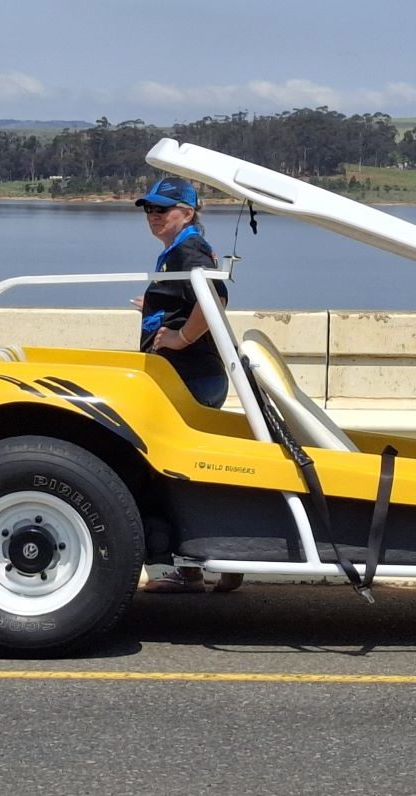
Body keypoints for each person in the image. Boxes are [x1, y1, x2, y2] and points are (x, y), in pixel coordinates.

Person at [132, 176, 243, 594]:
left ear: (188, 212)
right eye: (149, 209)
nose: (154, 216)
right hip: (190, 377)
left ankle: (213, 561)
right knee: (182, 473)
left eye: (163, 209)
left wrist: (181, 337)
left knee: (179, 474)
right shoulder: (179, 250)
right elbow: (192, 296)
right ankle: (206, 564)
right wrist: (158, 305)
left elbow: (213, 298)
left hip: (192, 377)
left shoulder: (189, 249)